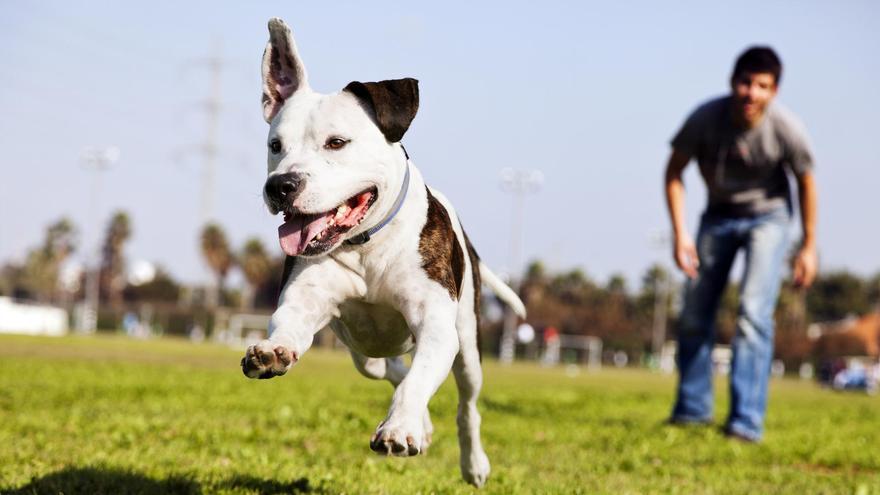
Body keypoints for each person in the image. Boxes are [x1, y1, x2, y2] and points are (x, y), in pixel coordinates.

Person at [663, 46, 818, 442]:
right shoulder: (705, 119)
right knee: (696, 310)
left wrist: (808, 245)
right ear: (733, 83)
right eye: (746, 83)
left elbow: (806, 182)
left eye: (762, 86)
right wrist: (680, 233)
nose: (752, 93)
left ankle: (745, 422)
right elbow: (674, 172)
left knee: (752, 312)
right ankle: (692, 411)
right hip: (717, 215)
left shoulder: (786, 128)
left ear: (775, 91)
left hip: (769, 218)